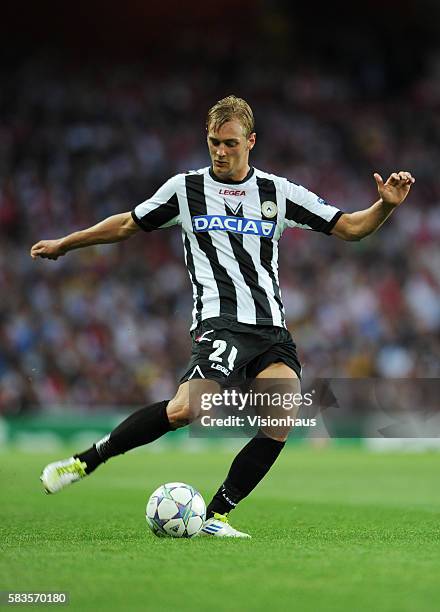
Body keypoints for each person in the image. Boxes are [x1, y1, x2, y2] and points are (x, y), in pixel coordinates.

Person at [30, 95, 415, 538]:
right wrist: (66, 243)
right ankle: (85, 461)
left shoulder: (278, 192)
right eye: (214, 142)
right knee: (185, 409)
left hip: (271, 330)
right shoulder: (185, 190)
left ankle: (216, 516)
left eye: (230, 143)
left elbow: (350, 227)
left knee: (281, 419)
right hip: (221, 323)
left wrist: (385, 205)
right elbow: (126, 224)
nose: (220, 151)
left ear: (250, 141)